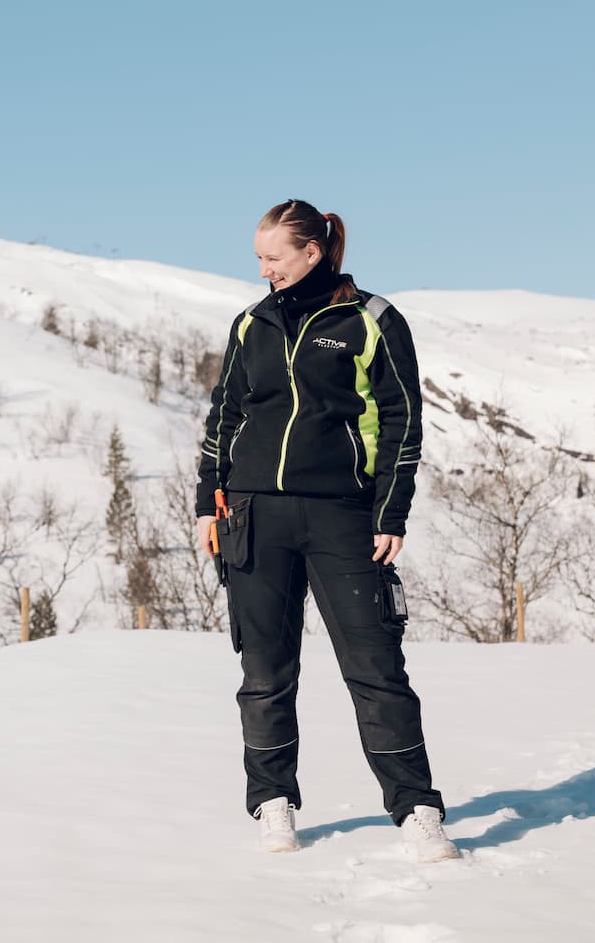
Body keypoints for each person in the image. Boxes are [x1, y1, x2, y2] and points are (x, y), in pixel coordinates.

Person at [194, 199, 458, 863]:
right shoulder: (250, 324)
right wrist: (207, 501)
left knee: (375, 669)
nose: (262, 271)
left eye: (272, 258)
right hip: (252, 516)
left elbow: (401, 420)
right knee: (264, 672)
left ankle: (416, 809)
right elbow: (223, 414)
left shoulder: (370, 320)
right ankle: (272, 803)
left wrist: (389, 512)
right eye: (257, 259)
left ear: (311, 251)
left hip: (343, 516)